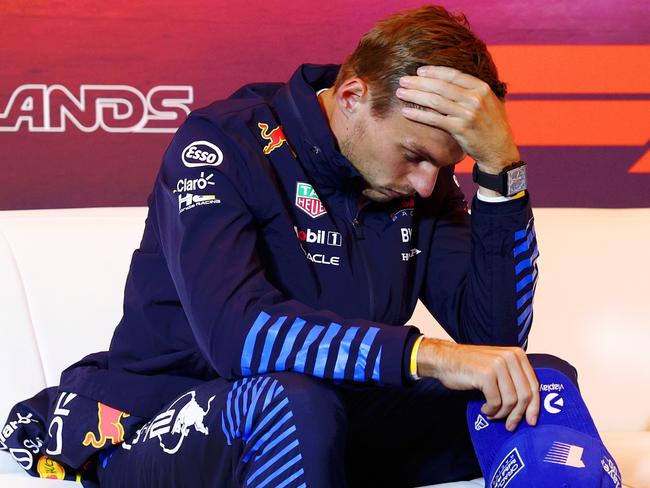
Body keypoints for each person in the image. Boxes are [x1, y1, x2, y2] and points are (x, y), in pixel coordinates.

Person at [2, 5, 556, 487]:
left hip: (332, 418)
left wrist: (501, 170)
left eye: (445, 165)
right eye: (414, 154)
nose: (427, 185)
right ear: (353, 96)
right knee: (292, 406)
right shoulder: (221, 143)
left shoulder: (420, 185)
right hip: (171, 419)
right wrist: (425, 356)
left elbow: (493, 340)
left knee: (540, 387)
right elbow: (235, 337)